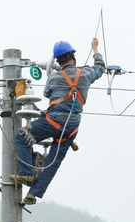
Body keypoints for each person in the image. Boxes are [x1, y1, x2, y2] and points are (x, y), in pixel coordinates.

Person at [10, 38, 105, 205]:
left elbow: (47, 94)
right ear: (73, 56)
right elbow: (100, 67)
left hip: (53, 122)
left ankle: (26, 173)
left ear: (58, 61)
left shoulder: (54, 78)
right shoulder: (86, 74)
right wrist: (95, 48)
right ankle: (33, 194)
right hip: (72, 127)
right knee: (54, 162)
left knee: (21, 136)